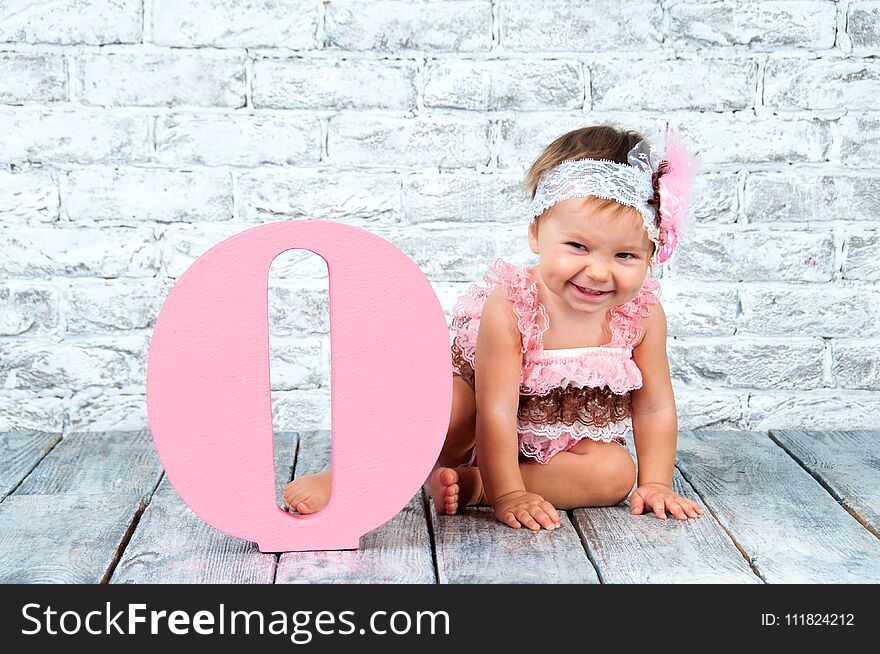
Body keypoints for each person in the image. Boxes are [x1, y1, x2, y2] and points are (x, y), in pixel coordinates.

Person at [284, 124, 705, 532]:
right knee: (449, 405)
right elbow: (497, 409)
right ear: (536, 234)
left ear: (651, 253)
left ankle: (476, 487)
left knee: (614, 473)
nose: (597, 271)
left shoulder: (640, 315)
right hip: (471, 430)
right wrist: (511, 497)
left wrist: (655, 483)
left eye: (626, 255)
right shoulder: (514, 304)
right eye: (578, 246)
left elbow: (654, 406)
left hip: (546, 450)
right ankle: (350, 475)